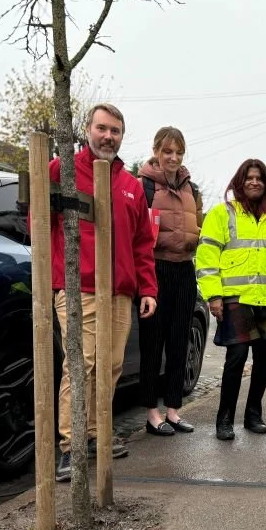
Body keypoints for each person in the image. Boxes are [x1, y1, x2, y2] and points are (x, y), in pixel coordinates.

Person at [51, 103, 157, 481]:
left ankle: (97, 435)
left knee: (110, 367)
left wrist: (148, 287)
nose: (108, 136)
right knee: (81, 365)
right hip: (80, 288)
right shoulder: (61, 172)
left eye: (115, 131)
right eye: (102, 128)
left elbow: (143, 242)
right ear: (87, 130)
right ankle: (70, 447)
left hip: (120, 292)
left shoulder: (130, 186)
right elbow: (39, 222)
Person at [196, 159, 266, 441]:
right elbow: (207, 259)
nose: (254, 182)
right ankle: (224, 419)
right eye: (249, 178)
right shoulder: (222, 214)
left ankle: (253, 415)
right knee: (236, 358)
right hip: (237, 298)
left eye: (259, 178)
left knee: (264, 360)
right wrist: (213, 295)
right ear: (239, 181)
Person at [136, 126, 205, 437]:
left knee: (180, 341)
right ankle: (152, 413)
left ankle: (174, 410)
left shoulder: (192, 189)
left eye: (178, 152)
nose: (173, 157)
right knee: (153, 344)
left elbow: (198, 227)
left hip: (184, 270)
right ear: (156, 151)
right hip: (156, 269)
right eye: (167, 151)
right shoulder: (144, 187)